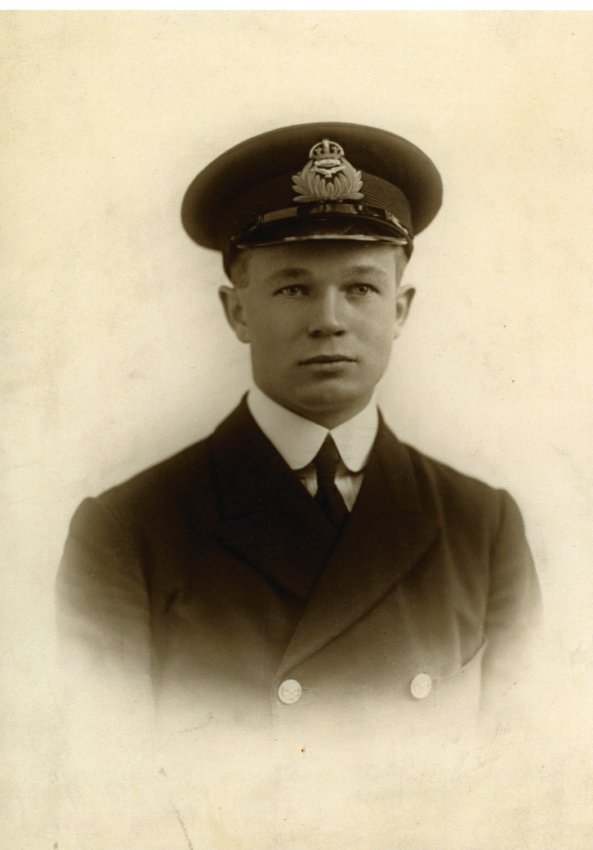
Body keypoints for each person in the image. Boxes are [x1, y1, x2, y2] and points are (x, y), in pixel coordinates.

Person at [55, 123, 542, 845]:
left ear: (400, 311)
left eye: (360, 288)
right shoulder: (129, 528)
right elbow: (103, 795)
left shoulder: (482, 524)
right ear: (237, 311)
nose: (328, 320)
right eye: (292, 286)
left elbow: (527, 786)